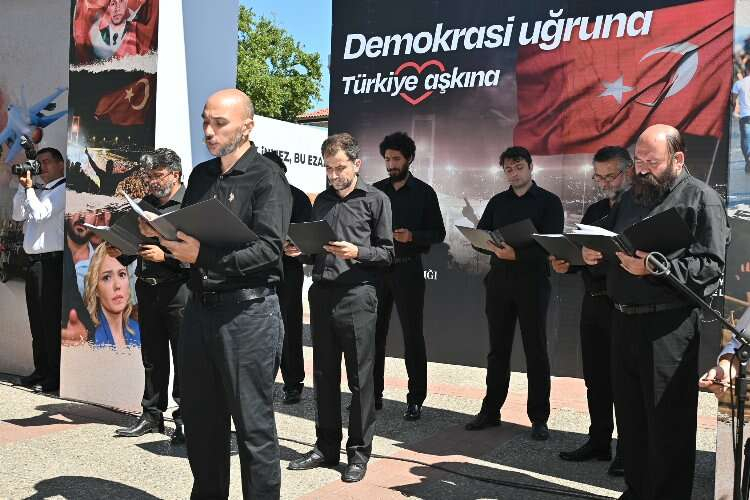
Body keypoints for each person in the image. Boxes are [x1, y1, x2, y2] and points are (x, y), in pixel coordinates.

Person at [141, 89, 291, 500]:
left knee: (253, 429)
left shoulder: (268, 178)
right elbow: (188, 234)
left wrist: (202, 256)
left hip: (249, 315)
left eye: (219, 123)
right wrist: (162, 231)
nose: (209, 131)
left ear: (247, 126)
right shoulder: (201, 176)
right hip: (199, 311)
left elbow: (269, 250)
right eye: (205, 121)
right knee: (202, 424)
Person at [582, 125, 729, 500]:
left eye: (652, 161)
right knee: (631, 418)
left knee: (668, 422)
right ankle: (637, 490)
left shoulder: (702, 199)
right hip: (623, 320)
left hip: (669, 327)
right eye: (639, 160)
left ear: (677, 159)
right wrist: (591, 252)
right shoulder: (633, 196)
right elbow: (611, 240)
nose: (643, 169)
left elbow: (711, 268)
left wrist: (655, 267)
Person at [286, 133, 393, 483]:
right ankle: (326, 447)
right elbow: (316, 251)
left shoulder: (376, 200)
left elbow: (387, 253)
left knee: (361, 379)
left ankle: (358, 453)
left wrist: (357, 252)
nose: (333, 175)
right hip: (322, 295)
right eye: (328, 168)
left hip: (358, 295)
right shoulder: (322, 201)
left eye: (340, 168)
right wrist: (300, 251)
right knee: (324, 375)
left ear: (357, 164)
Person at [465, 146, 564, 441]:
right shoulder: (498, 202)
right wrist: (490, 245)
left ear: (531, 167)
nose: (514, 173)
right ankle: (490, 411)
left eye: (519, 167)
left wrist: (517, 255)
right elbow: (482, 236)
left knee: (536, 350)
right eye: (508, 169)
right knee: (498, 350)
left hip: (533, 284)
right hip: (499, 282)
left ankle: (539, 418)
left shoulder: (549, 202)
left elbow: (552, 246)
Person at [550, 146, 632, 475]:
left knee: (624, 381)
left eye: (611, 176)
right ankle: (599, 441)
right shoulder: (596, 209)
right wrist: (566, 262)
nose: (605, 183)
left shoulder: (638, 208)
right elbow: (581, 251)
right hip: (594, 302)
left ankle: (627, 450)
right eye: (599, 177)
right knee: (595, 378)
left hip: (624, 306)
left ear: (629, 171)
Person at [112, 148, 189, 443]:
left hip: (179, 289)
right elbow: (134, 246)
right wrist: (119, 250)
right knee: (152, 356)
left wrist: (164, 256)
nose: (152, 181)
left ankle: (185, 418)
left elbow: (198, 255)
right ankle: (151, 414)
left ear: (175, 174)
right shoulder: (144, 205)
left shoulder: (190, 205)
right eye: (149, 176)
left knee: (184, 356)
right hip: (147, 287)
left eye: (158, 175)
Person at [372, 131, 445, 420]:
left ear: (410, 158)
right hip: (377, 270)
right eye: (387, 159)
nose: (391, 164)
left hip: (409, 269)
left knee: (412, 336)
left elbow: (438, 233)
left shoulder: (425, 193)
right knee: (373, 335)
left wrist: (412, 236)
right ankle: (372, 395)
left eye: (396, 159)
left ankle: (415, 399)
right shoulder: (375, 192)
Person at [12, 147, 66, 393]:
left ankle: (54, 375)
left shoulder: (63, 189)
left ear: (60, 164)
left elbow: (42, 213)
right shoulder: (38, 189)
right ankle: (41, 370)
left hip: (51, 263)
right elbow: (18, 215)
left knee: (50, 321)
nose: (41, 167)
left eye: (46, 162)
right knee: (37, 321)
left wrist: (30, 190)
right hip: (34, 263)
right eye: (38, 163)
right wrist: (23, 187)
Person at [262, 150, 313, 405]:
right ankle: (263, 383)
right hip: (259, 270)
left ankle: (293, 383)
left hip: (288, 271)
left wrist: (292, 244)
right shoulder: (255, 196)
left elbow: (307, 236)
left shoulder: (298, 198)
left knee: (289, 327)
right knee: (259, 329)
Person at [83, 243, 141, 348]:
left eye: (122, 274)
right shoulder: (88, 339)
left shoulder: (139, 331)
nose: (117, 285)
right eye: (107, 277)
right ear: (96, 288)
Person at [732, 65, 750, 172]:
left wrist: (734, 108)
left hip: (745, 116)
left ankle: (748, 158)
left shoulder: (739, 83)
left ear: (746, 70)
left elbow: (733, 100)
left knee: (746, 140)